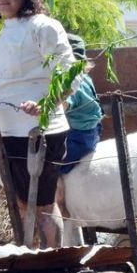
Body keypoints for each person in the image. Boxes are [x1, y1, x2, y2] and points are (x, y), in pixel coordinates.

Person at [0, 0, 74, 249]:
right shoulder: (6, 30)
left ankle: (54, 264)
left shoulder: (44, 27)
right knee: (23, 204)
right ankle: (34, 263)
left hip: (41, 130)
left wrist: (46, 104)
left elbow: (69, 73)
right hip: (8, 131)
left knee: (45, 205)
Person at [59, 35, 102, 175]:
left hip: (77, 136)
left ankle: (57, 187)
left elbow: (63, 105)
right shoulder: (85, 77)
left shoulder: (71, 81)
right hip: (93, 130)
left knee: (52, 166)